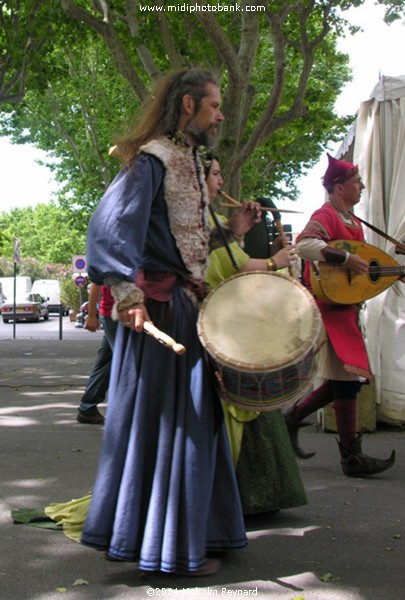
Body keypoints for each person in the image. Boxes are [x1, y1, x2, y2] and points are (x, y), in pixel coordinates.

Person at [81, 68, 247, 576]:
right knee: (172, 426)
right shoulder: (153, 159)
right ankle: (169, 550)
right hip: (159, 313)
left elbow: (180, 243)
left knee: (194, 423)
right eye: (214, 105)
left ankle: (190, 536)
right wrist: (127, 293)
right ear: (188, 105)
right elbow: (109, 228)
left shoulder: (190, 161)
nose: (220, 115)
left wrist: (230, 234)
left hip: (184, 309)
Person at [203, 151, 308, 514]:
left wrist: (237, 229)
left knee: (249, 401)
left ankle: (250, 497)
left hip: (226, 325)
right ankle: (238, 499)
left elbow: (228, 261)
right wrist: (275, 263)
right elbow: (232, 269)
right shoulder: (200, 218)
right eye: (215, 174)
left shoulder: (212, 219)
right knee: (237, 401)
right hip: (215, 329)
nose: (221, 182)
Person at [284, 154, 396, 477]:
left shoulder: (354, 223)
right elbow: (304, 245)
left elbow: (364, 270)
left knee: (345, 381)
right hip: (329, 310)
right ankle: (351, 457)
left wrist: (391, 271)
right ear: (339, 187)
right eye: (356, 182)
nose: (361, 186)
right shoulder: (327, 215)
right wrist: (344, 257)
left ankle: (294, 418)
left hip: (345, 308)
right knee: (347, 380)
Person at [76, 284, 116, 425]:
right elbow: (96, 282)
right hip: (116, 314)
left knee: (107, 362)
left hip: (115, 312)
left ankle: (87, 408)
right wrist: (92, 315)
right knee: (129, 362)